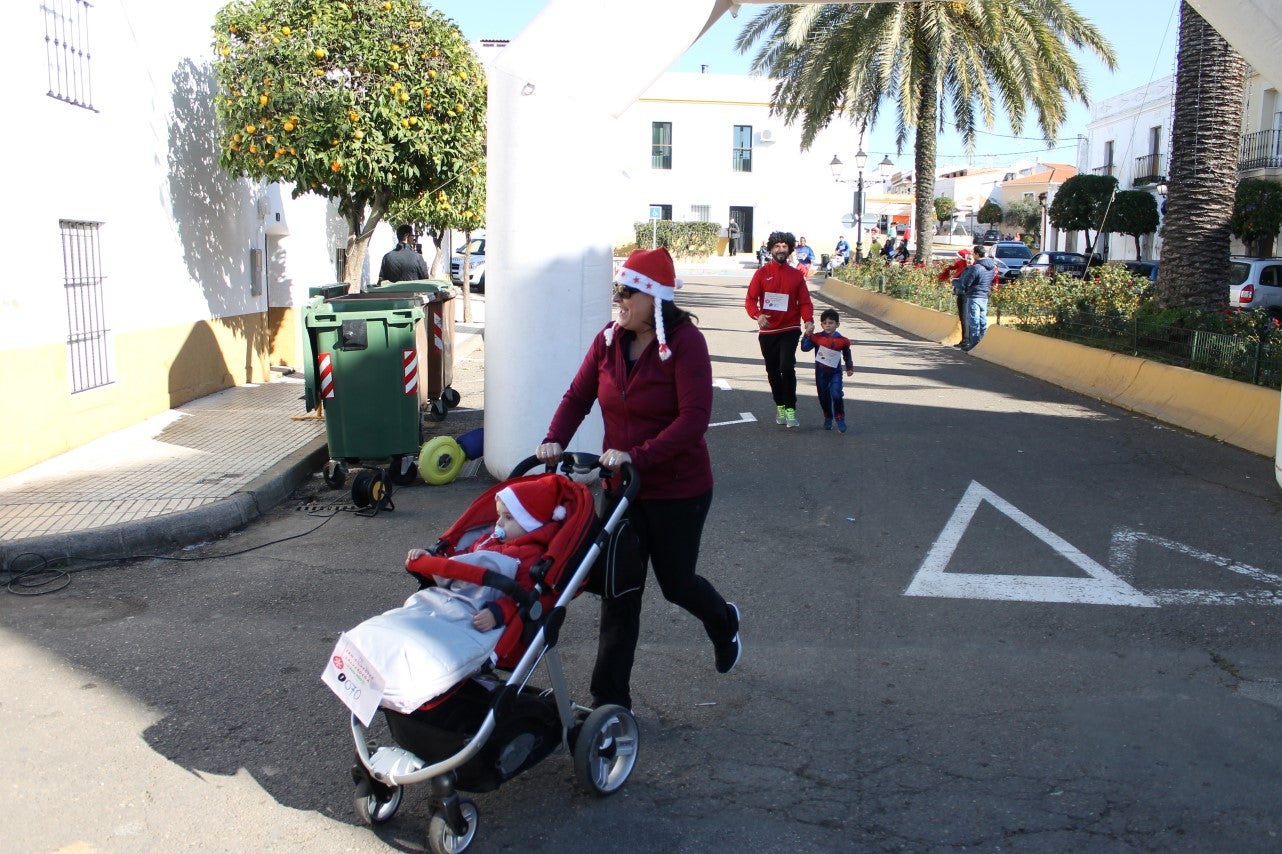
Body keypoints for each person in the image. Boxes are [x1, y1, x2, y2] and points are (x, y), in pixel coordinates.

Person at [536, 247, 741, 711]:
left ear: (653, 297)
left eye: (627, 291)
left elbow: (694, 420)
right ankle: (611, 704)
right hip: (621, 491)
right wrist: (553, 440)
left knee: (677, 583)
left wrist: (637, 456)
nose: (620, 300)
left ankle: (723, 620)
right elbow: (577, 396)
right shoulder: (608, 341)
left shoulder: (687, 344)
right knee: (619, 593)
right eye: (618, 291)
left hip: (678, 489)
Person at [404, 475, 572, 632]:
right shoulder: (488, 539)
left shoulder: (531, 556)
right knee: (413, 613)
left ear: (531, 524)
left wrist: (497, 613)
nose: (499, 522)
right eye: (499, 515)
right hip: (452, 594)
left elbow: (524, 595)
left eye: (508, 517)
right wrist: (432, 559)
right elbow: (461, 558)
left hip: (478, 607)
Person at [746, 231, 815, 429]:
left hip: (790, 328)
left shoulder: (796, 276)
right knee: (773, 370)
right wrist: (757, 315)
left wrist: (808, 320)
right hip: (768, 331)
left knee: (787, 367)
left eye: (785, 246)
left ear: (790, 249)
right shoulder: (761, 274)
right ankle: (780, 405)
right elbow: (750, 300)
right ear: (771, 249)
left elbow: (804, 302)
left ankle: (791, 409)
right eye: (777, 246)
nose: (781, 250)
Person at [800, 308, 855, 433]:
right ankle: (828, 417)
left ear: (837, 324)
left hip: (835, 373)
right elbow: (804, 348)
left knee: (836, 395)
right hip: (821, 374)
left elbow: (847, 355)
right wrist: (807, 334)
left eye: (831, 323)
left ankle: (840, 417)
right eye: (825, 323)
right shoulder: (817, 338)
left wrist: (849, 368)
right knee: (823, 398)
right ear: (821, 325)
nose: (828, 325)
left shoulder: (843, 341)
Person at [958, 244, 998, 352]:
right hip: (984, 296)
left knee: (974, 321)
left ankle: (974, 343)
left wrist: (965, 287)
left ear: (976, 254)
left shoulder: (976, 267)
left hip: (974, 296)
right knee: (982, 320)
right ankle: (982, 342)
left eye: (973, 253)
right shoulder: (992, 267)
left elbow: (966, 282)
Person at [939, 248, 973, 348]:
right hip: (964, 294)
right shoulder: (967, 268)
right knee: (965, 318)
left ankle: (966, 340)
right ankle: (966, 339)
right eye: (968, 259)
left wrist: (954, 282)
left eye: (970, 259)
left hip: (965, 295)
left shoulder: (969, 270)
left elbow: (963, 283)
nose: (968, 261)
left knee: (965, 318)